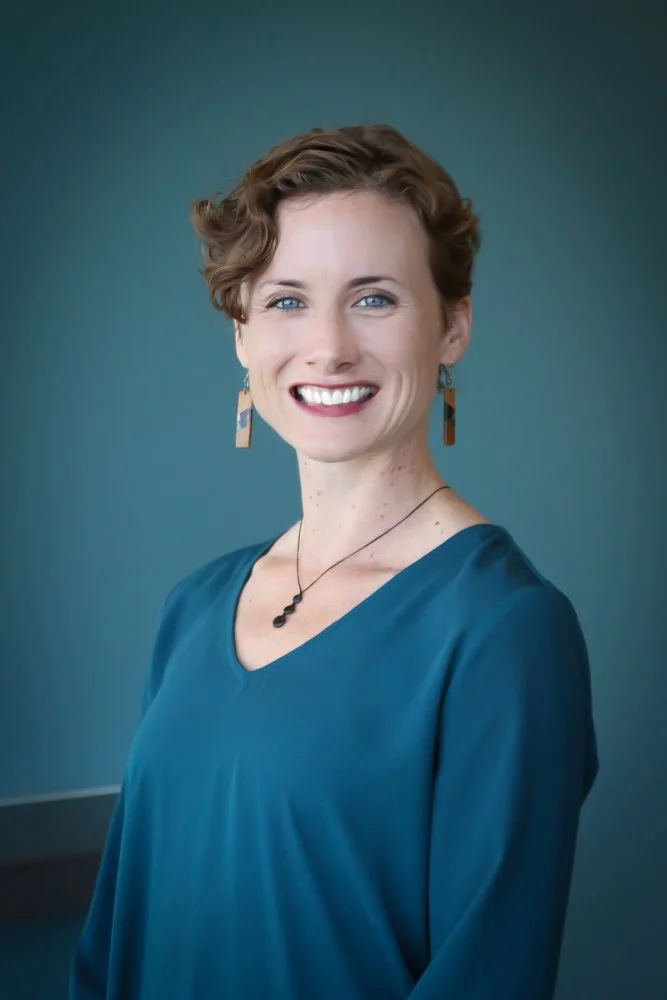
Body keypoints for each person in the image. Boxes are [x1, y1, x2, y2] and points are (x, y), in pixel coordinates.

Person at [70, 124, 599, 1000]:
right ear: (241, 334)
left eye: (374, 298)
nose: (327, 348)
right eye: (285, 301)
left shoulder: (505, 632)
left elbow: (488, 976)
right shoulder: (196, 605)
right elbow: (116, 938)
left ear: (452, 325)